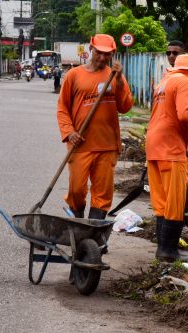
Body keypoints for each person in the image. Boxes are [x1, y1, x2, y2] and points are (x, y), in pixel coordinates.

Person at [57, 33, 133, 220]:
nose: (102, 58)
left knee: (102, 193)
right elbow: (62, 108)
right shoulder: (74, 75)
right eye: (99, 53)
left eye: (107, 54)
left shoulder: (115, 76)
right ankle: (77, 226)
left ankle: (94, 235)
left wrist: (119, 81)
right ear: (91, 49)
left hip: (107, 145)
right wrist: (69, 132)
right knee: (76, 190)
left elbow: (125, 107)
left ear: (113, 54)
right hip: (80, 144)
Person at [146, 53, 188, 261]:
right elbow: (184, 115)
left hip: (154, 145)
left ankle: (162, 248)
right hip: (170, 148)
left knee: (160, 200)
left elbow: (162, 117)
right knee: (175, 201)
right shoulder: (184, 82)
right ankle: (169, 250)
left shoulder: (163, 83)